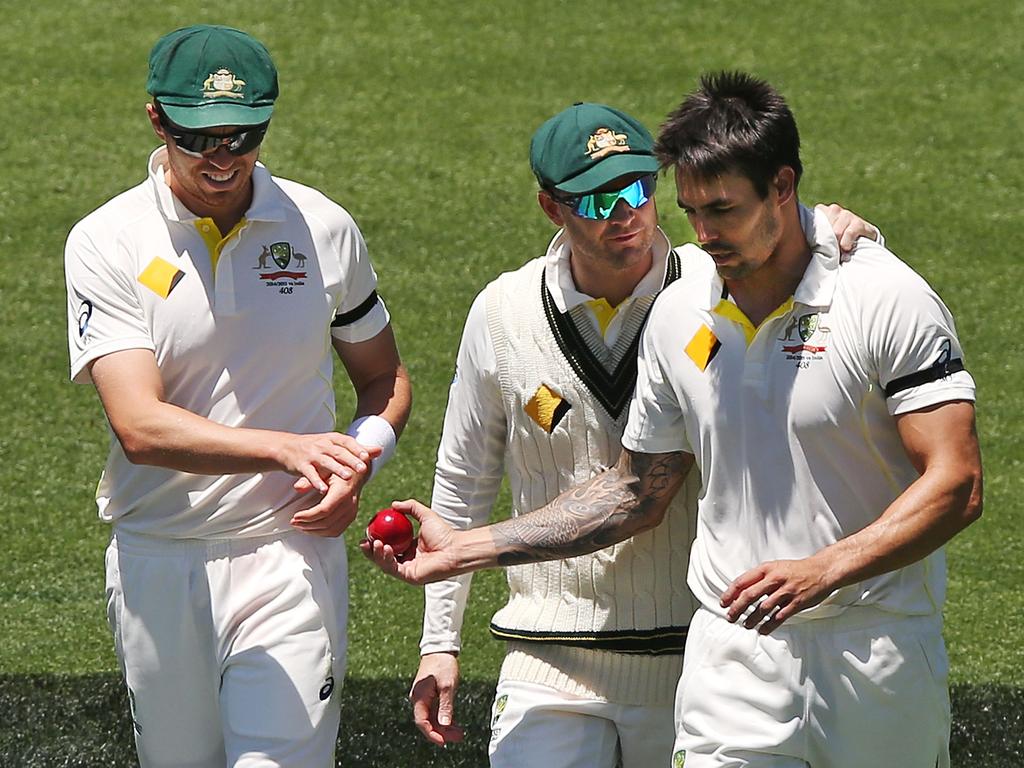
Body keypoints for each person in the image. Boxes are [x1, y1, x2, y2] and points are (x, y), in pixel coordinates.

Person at [368, 73, 982, 768]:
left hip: (873, 643)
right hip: (735, 649)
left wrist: (824, 570)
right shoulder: (682, 312)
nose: (704, 234)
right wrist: (470, 549)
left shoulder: (886, 296)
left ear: (783, 187)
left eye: (721, 209)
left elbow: (958, 483)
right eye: (692, 211)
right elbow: (637, 491)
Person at [64, 25, 411, 768]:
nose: (223, 160)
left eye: (243, 136)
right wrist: (285, 447)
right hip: (158, 556)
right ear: (156, 118)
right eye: (199, 139)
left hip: (289, 553)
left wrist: (360, 462)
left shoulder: (322, 228)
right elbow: (139, 426)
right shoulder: (106, 241)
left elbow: (384, 380)